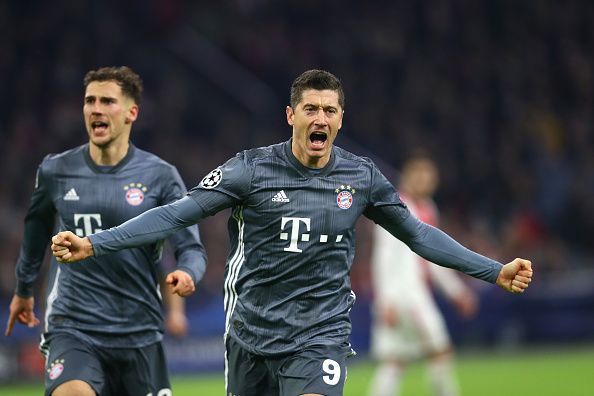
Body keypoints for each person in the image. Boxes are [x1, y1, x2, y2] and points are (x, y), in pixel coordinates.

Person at [50, 69, 533, 396]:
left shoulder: (361, 178)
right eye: (310, 109)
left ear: (340, 119)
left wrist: (493, 271)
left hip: (319, 334)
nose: (320, 119)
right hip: (250, 335)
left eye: (329, 111)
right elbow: (177, 214)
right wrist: (96, 242)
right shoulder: (250, 171)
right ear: (291, 116)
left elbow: (420, 235)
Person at [5, 66, 207, 396]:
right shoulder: (57, 170)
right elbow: (35, 233)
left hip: (138, 331)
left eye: (107, 101)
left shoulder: (161, 176)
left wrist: (188, 272)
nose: (96, 109)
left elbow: (191, 248)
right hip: (74, 325)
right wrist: (24, 289)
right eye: (90, 101)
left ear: (131, 112)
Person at [367, 152, 478, 396]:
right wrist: (387, 301)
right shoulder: (395, 207)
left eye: (429, 177)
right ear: (408, 178)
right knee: (440, 351)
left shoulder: (427, 208)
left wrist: (456, 292)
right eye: (419, 176)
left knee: (395, 361)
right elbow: (383, 258)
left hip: (411, 293)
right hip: (406, 296)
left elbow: (435, 258)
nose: (424, 182)